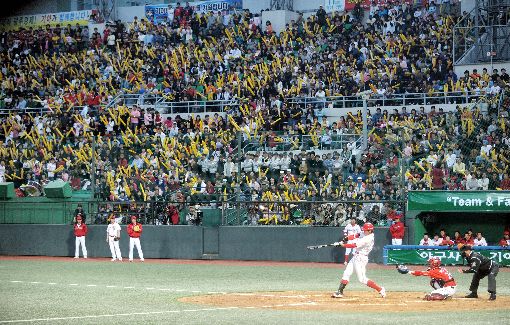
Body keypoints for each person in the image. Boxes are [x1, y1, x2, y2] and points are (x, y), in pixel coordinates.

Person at [331, 223, 386, 298]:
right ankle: (340, 292)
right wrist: (345, 239)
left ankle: (380, 289)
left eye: (365, 230)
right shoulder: (365, 233)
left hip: (361, 258)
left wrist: (342, 245)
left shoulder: (368, 238)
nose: (364, 231)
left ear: (370, 230)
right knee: (347, 273)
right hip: (356, 256)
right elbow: (355, 235)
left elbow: (354, 245)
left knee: (362, 279)